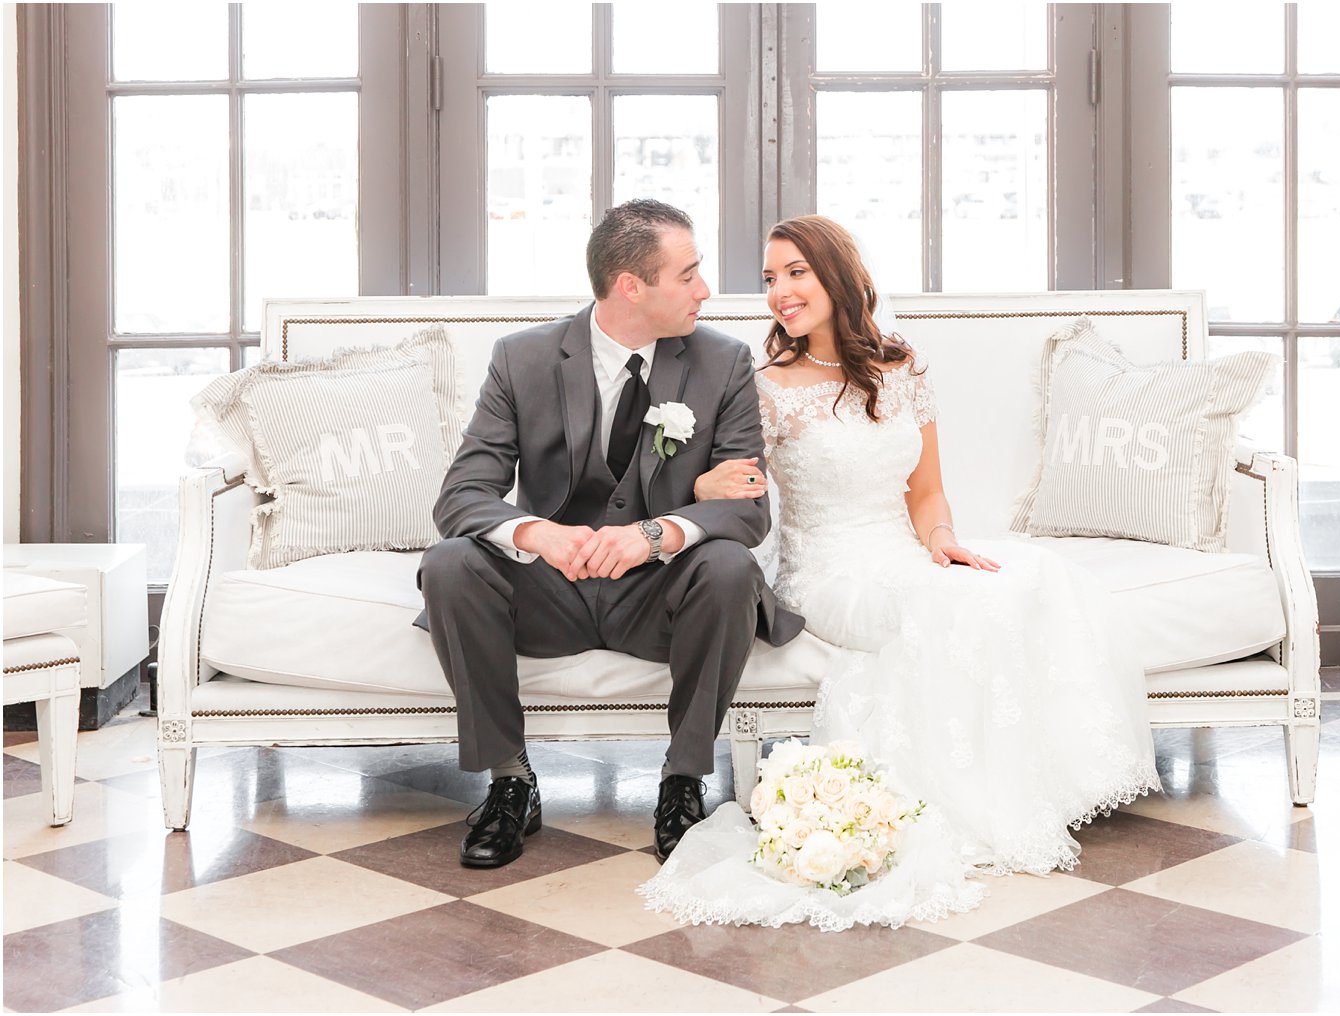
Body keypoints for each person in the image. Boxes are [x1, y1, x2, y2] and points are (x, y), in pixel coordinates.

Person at [688, 215, 1161, 881]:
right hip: (825, 570)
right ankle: (959, 801)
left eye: (796, 272)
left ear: (839, 276)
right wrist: (704, 479)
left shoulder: (903, 368)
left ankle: (1031, 785)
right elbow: (732, 482)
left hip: (902, 551)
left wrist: (942, 543)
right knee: (942, 608)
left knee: (1031, 577)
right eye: (770, 278)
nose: (779, 292)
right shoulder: (767, 386)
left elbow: (927, 492)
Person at [416, 199, 803, 869]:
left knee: (731, 568)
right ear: (631, 286)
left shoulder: (723, 364)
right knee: (450, 563)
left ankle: (682, 783)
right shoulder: (522, 360)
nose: (704, 290)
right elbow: (461, 497)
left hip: (658, 598)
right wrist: (539, 534)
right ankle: (511, 782)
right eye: (688, 275)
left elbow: (746, 511)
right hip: (549, 596)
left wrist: (653, 534)